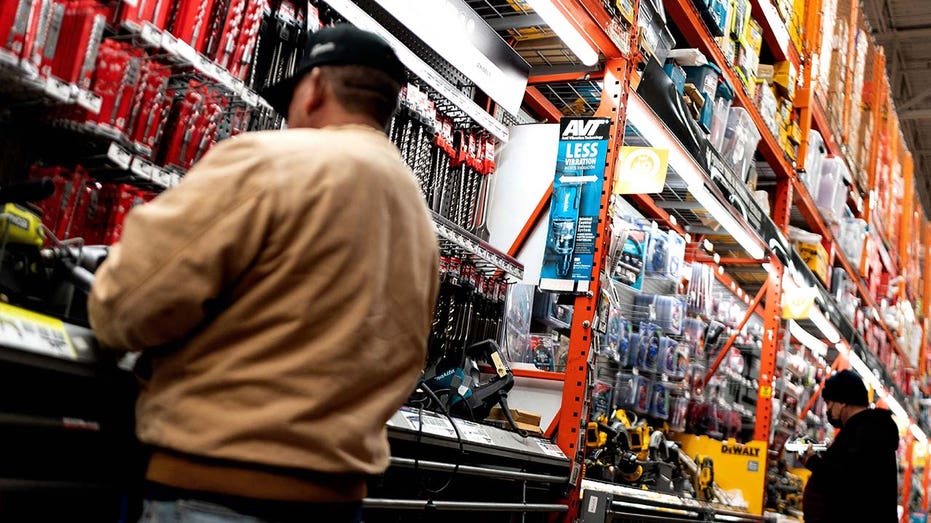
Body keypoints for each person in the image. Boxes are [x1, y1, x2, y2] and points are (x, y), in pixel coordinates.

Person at [88, 25, 439, 523]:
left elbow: (128, 307)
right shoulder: (416, 217)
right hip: (336, 504)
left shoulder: (275, 160)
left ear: (314, 88)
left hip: (215, 494)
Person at [801, 369, 900, 523]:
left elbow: (847, 484)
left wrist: (813, 462)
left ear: (842, 402)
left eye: (829, 403)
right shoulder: (870, 430)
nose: (827, 409)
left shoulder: (862, 432)